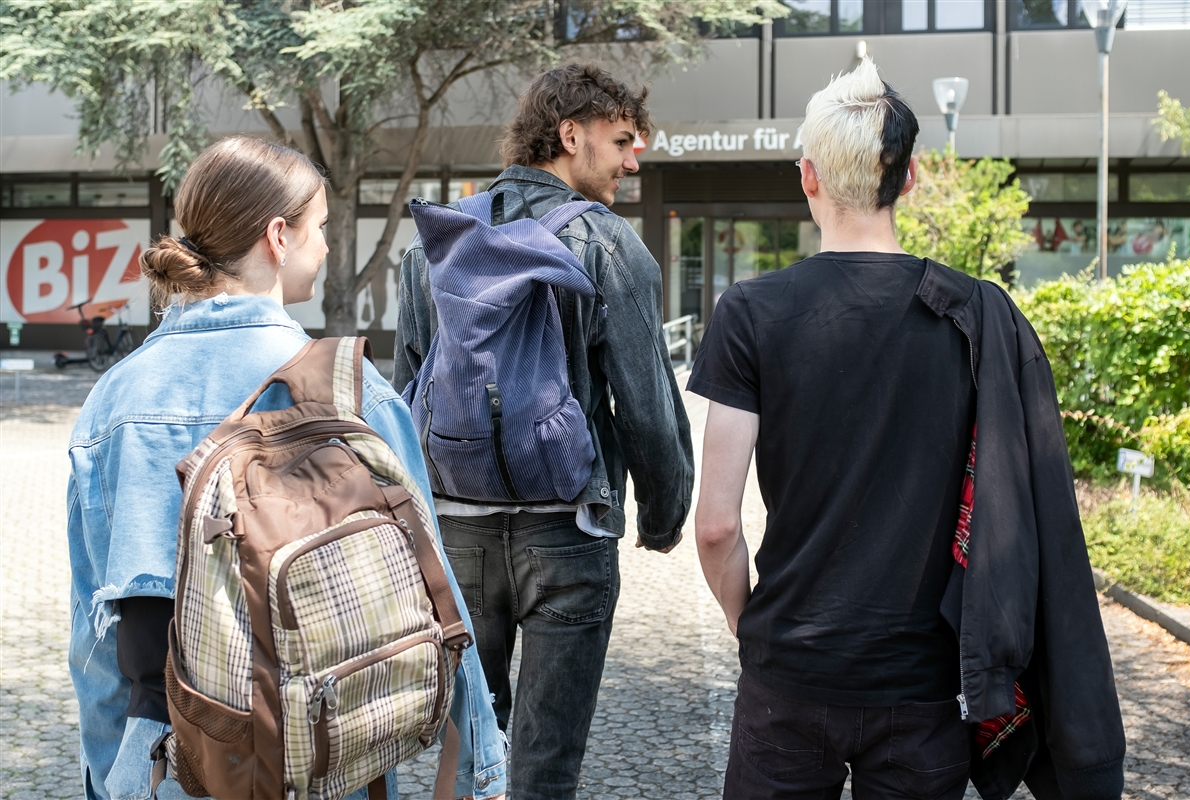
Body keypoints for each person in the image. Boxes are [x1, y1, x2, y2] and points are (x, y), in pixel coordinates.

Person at [689, 58, 1124, 800]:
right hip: (926, 685)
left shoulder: (750, 312)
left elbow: (717, 529)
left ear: (808, 177)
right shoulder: (975, 315)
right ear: (912, 178)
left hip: (791, 675)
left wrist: (752, 632)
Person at [67, 136, 507, 800]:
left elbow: (96, 638)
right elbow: (435, 592)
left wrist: (115, 779)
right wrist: (483, 766)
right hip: (325, 760)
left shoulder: (114, 402)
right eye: (320, 228)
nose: (327, 247)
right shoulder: (352, 394)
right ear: (278, 235)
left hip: (170, 767)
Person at [393, 63, 694, 799]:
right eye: (622, 141)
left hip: (458, 532)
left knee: (468, 758)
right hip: (568, 533)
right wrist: (662, 515)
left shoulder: (435, 243)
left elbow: (407, 395)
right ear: (570, 135)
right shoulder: (608, 245)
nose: (633, 160)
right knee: (547, 763)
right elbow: (648, 408)